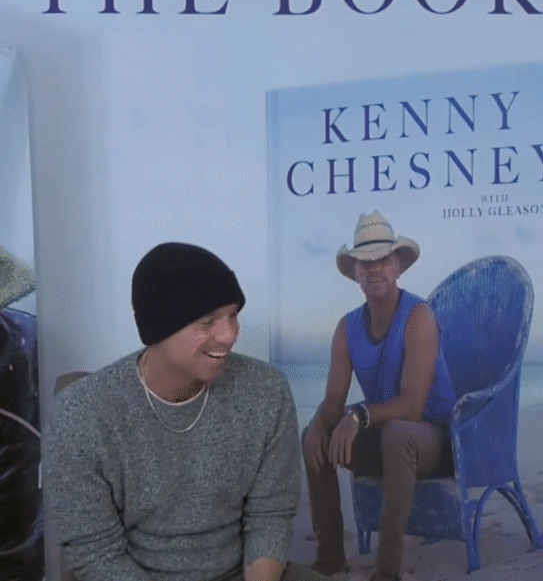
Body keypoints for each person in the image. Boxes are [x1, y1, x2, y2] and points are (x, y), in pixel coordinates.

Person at [42, 242, 329, 581]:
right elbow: (96, 553)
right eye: (208, 321)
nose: (229, 335)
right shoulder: (82, 413)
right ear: (158, 328)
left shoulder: (266, 390)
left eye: (233, 315)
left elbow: (270, 516)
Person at [302, 211, 457, 581]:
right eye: (365, 262)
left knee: (399, 433)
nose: (374, 270)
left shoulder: (419, 316)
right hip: (388, 439)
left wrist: (357, 416)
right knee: (313, 436)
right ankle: (330, 557)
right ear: (355, 273)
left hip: (438, 442)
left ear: (398, 266)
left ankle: (386, 571)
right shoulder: (347, 328)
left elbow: (412, 407)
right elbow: (333, 404)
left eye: (383, 260)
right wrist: (320, 426)